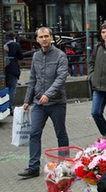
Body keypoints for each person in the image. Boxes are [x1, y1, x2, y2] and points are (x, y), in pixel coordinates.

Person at [19, 27, 69, 179]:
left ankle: (64, 164)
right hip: (39, 104)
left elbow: (61, 78)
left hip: (57, 103)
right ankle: (34, 167)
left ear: (51, 37)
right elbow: (33, 79)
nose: (44, 39)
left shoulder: (60, 55)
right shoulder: (36, 57)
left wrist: (48, 94)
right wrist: (27, 100)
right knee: (34, 133)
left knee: (60, 133)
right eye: (41, 37)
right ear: (37, 39)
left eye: (47, 36)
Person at [3, 31, 23, 115]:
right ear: (14, 37)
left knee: (4, 90)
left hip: (3, 69)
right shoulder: (15, 45)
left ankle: (5, 107)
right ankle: (9, 108)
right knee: (11, 90)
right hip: (12, 69)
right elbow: (21, 56)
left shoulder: (2, 43)